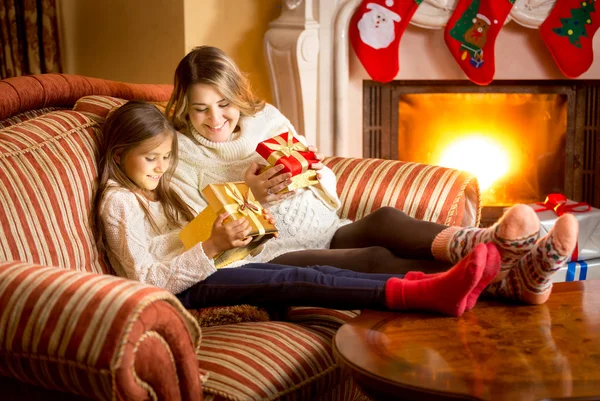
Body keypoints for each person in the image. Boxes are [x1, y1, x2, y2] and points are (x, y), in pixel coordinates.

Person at [165, 46, 578, 305]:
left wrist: (306, 175)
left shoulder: (264, 119)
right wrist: (250, 193)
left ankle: (494, 246)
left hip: (325, 225)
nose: (215, 118)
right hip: (272, 252)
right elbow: (195, 233)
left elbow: (325, 176)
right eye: (200, 109)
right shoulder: (178, 155)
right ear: (184, 106)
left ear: (238, 96)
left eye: (224, 104)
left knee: (385, 219)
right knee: (374, 259)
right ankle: (504, 281)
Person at [93, 100, 503, 317]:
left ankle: (473, 276)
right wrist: (211, 247)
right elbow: (146, 278)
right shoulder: (119, 203)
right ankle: (421, 294)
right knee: (301, 278)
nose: (162, 168)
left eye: (166, 157)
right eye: (151, 159)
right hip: (187, 289)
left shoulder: (151, 188)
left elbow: (180, 237)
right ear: (118, 153)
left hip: (212, 266)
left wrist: (231, 230)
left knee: (315, 271)